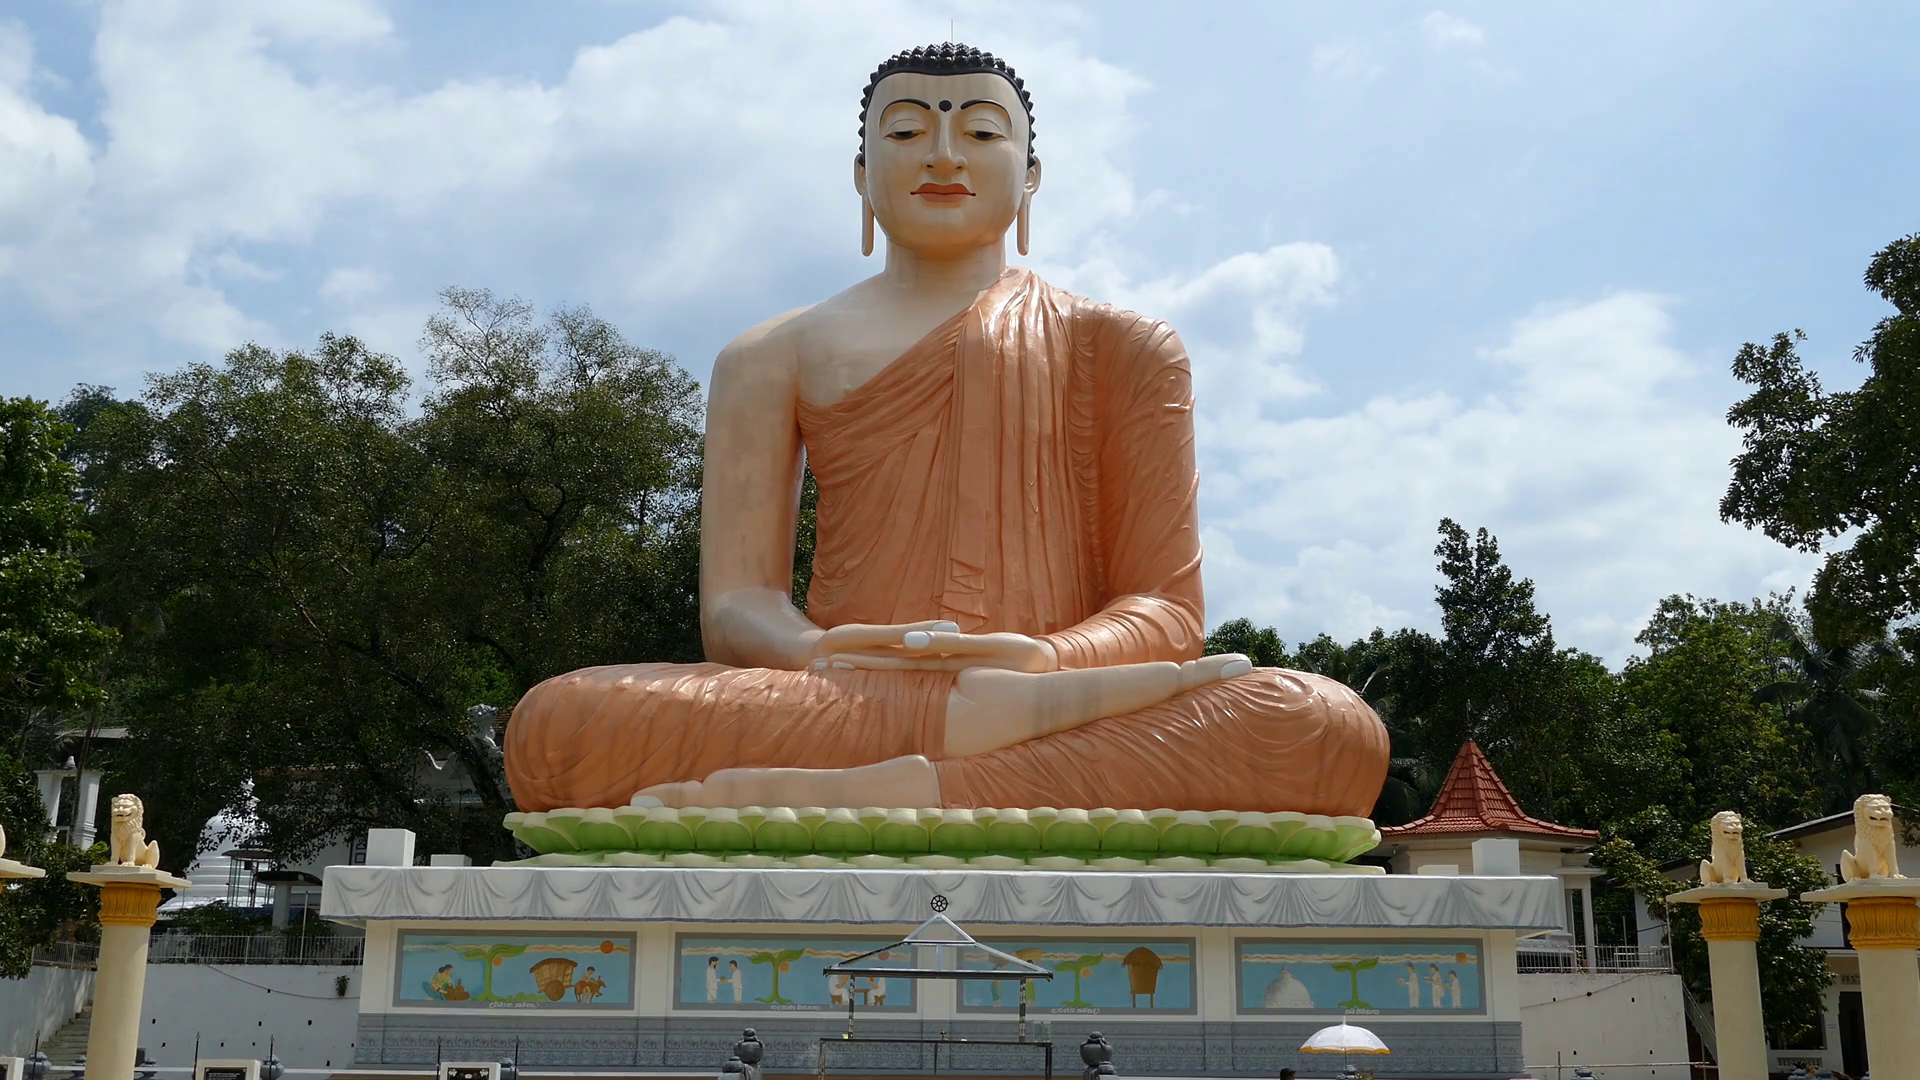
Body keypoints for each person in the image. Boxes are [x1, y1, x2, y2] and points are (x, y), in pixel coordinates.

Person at [504, 42, 1388, 816]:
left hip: (1058, 689)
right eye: (905, 131)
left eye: (981, 131)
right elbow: (737, 606)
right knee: (560, 727)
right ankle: (974, 754)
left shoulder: (1120, 343)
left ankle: (910, 782)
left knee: (1319, 726)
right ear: (861, 174)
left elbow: (1165, 613)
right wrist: (819, 651)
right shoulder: (771, 354)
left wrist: (1046, 662)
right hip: (845, 698)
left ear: (1030, 174)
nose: (941, 154)